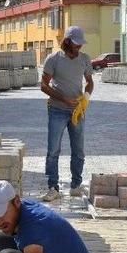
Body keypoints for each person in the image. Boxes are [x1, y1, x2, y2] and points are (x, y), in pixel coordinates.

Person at [40, 26, 94, 202]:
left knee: (78, 151)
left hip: (77, 112)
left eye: (81, 44)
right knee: (53, 150)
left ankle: (76, 186)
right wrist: (63, 98)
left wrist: (86, 97)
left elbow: (90, 82)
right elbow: (44, 86)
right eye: (76, 44)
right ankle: (53, 188)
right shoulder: (53, 59)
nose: (79, 47)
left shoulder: (85, 59)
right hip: (57, 110)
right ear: (68, 41)